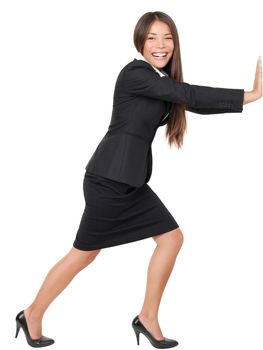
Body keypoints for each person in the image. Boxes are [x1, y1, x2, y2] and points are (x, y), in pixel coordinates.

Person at [15, 11, 262, 349]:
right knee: (83, 255)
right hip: (108, 181)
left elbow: (190, 102)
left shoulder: (158, 81)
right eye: (152, 38)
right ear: (140, 42)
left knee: (172, 238)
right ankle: (32, 314)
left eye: (167, 38)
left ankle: (147, 316)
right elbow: (189, 95)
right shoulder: (135, 74)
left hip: (129, 182)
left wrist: (245, 100)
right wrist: (250, 94)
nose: (161, 45)